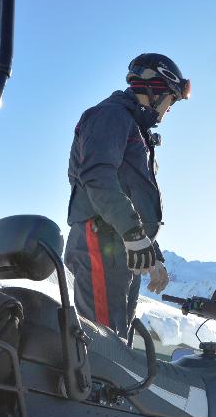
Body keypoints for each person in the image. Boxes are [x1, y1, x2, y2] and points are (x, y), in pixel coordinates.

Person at [65, 53, 190, 338]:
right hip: (101, 239)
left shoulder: (134, 127)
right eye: (171, 100)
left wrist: (151, 251)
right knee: (103, 345)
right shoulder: (110, 116)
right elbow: (98, 177)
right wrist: (134, 235)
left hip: (120, 245)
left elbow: (132, 196)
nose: (169, 109)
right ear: (155, 89)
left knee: (118, 343)